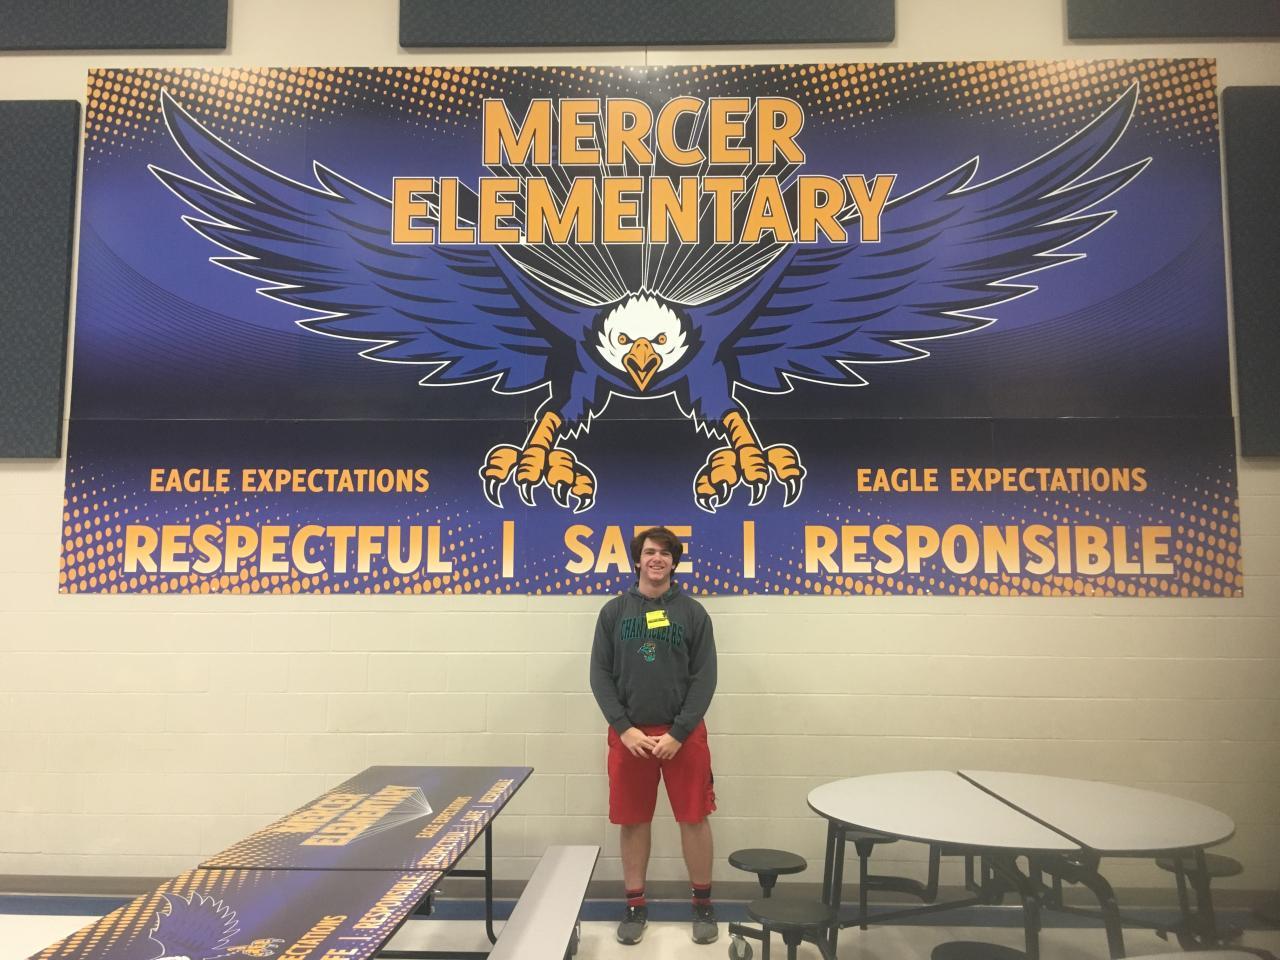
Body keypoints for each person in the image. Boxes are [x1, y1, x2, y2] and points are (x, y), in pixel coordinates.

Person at [589, 525, 719, 946]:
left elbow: (704, 678)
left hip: (683, 736)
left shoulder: (693, 614)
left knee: (694, 818)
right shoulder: (614, 613)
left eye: (665, 553)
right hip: (630, 737)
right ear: (637, 559)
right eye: (649, 552)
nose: (657, 559)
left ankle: (702, 905)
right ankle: (635, 906)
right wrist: (624, 728)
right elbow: (599, 676)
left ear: (674, 562)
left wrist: (679, 732)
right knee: (633, 820)